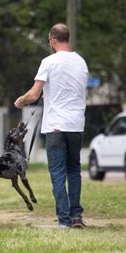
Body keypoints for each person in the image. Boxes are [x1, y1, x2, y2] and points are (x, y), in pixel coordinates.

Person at [14, 23, 88, 229]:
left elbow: (34, 94)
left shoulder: (48, 62)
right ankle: (76, 217)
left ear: (53, 39)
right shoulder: (81, 62)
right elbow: (75, 91)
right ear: (68, 38)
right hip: (76, 124)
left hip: (55, 125)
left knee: (57, 173)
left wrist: (22, 100)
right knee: (74, 171)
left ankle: (64, 220)